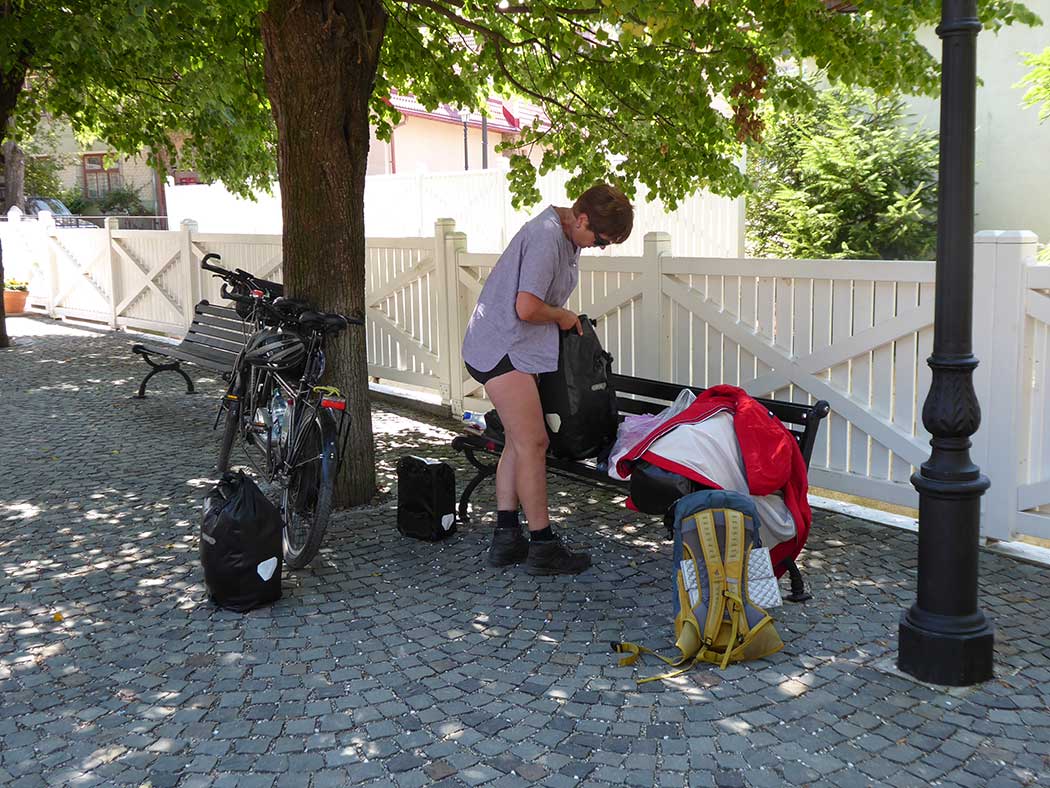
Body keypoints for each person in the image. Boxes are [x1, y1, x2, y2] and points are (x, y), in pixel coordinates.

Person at [461, 183, 634, 575]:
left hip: (514, 347)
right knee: (534, 442)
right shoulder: (546, 238)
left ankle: (506, 539)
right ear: (583, 217)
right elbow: (526, 307)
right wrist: (563, 317)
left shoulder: (566, 235)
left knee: (517, 444)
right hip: (504, 347)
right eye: (600, 240)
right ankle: (542, 546)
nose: (598, 247)